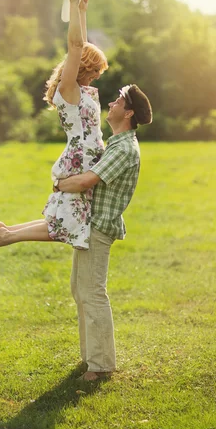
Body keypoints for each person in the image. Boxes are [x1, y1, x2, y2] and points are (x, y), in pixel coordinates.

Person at [0, 0, 108, 251]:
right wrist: (72, 4)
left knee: (66, 220)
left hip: (85, 159)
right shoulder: (68, 90)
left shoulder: (80, 90)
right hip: (79, 162)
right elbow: (76, 46)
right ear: (83, 67)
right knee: (68, 224)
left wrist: (82, 10)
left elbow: (81, 46)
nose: (96, 76)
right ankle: (7, 236)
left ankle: (6, 230)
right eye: (95, 71)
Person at [55, 83, 153, 381]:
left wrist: (59, 183)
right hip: (90, 225)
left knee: (93, 293)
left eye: (118, 101)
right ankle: (91, 358)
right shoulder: (117, 143)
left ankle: (100, 366)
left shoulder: (124, 148)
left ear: (129, 112)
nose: (111, 103)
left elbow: (87, 181)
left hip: (98, 228)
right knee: (80, 289)